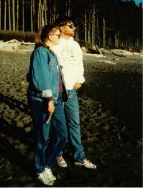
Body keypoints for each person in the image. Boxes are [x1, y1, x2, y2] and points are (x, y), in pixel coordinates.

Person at [52, 17, 97, 169]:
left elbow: (79, 64)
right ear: (61, 27)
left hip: (72, 90)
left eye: (74, 25)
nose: (74, 28)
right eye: (71, 25)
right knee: (59, 125)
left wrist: (80, 80)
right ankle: (58, 154)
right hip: (57, 90)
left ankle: (80, 157)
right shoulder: (54, 43)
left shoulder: (76, 45)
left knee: (75, 124)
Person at [27, 24, 68, 186]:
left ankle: (47, 164)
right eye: (58, 35)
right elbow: (41, 79)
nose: (59, 37)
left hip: (56, 99)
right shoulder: (40, 52)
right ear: (50, 36)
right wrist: (49, 100)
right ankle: (40, 169)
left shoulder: (51, 53)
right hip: (42, 101)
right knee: (41, 138)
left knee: (62, 134)